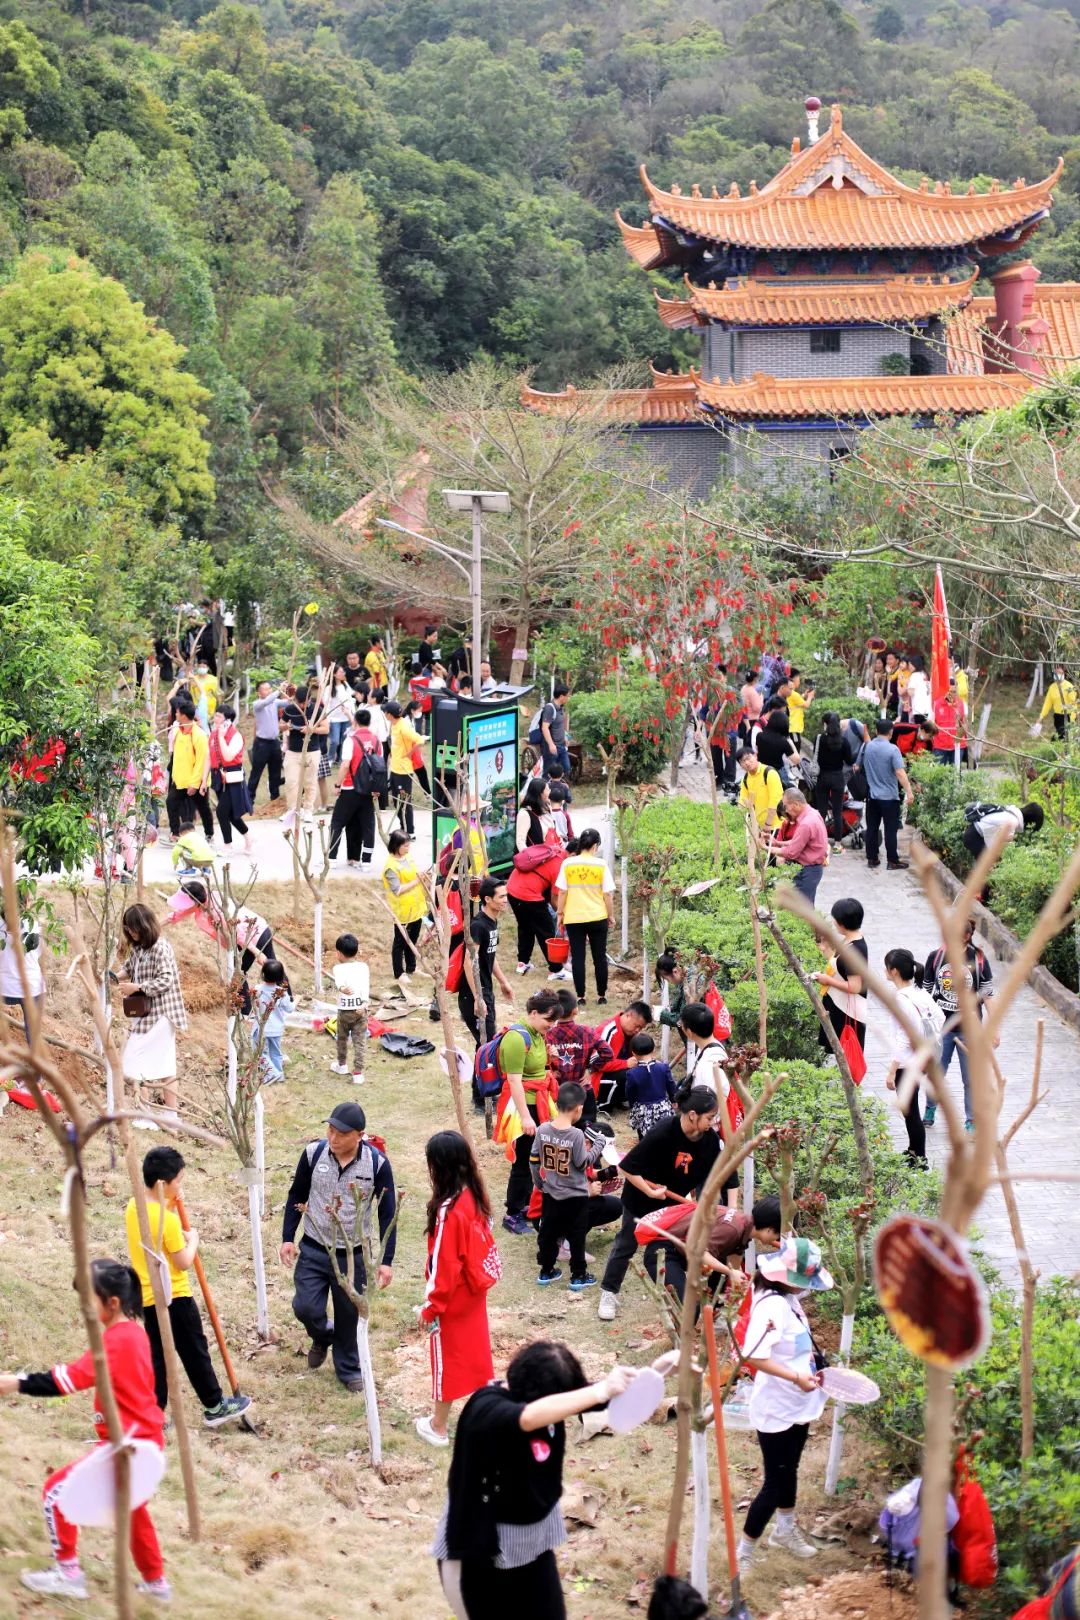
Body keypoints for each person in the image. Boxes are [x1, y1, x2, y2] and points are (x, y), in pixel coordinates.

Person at [1, 1258, 171, 1603]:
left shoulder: (117, 1342)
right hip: (145, 1442)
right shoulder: (134, 1334)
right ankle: (156, 1583)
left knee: (55, 1494)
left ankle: (68, 1573)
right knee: (134, 1511)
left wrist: (14, 1383)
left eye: (88, 1301)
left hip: (127, 1446)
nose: (83, 1309)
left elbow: (68, 1380)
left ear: (111, 1303)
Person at [432, 1339, 635, 1619]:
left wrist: (653, 1376)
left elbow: (587, 1398)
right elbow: (526, 1419)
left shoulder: (548, 1398)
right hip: (476, 1550)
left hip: (534, 1544)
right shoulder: (487, 1408)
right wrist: (600, 1390)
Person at [125, 1147, 253, 1426]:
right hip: (176, 1297)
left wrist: (169, 1202)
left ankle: (153, 1414)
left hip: (147, 1296)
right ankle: (215, 1406)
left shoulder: (135, 1206)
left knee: (157, 1357)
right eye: (178, 1181)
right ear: (162, 1184)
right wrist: (193, 1238)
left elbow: (155, 1224)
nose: (180, 1186)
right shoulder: (168, 1221)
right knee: (195, 1350)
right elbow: (183, 1261)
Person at [279, 1101, 396, 1392]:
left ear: (359, 1135)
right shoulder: (313, 1154)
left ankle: (348, 1368)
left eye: (341, 1134)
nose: (333, 1138)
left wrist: (386, 1260)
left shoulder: (377, 1164)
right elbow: (296, 1194)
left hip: (353, 1255)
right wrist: (287, 1238)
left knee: (349, 1314)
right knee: (305, 1306)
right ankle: (321, 1334)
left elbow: (388, 1213)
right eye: (330, 1131)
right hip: (315, 1247)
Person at [736, 1238, 833, 1577]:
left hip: (799, 1402)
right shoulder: (771, 1307)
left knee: (789, 1469)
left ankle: (784, 1531)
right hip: (778, 1406)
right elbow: (754, 1356)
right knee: (774, 1482)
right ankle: (745, 1550)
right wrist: (795, 1376)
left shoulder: (788, 1298)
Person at [597, 1085, 722, 1322]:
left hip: (674, 1206)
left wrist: (702, 1200)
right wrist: (649, 1192)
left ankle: (696, 1302)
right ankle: (609, 1292)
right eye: (709, 1117)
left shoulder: (710, 1141)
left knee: (676, 1249)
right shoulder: (664, 1132)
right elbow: (626, 1167)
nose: (713, 1123)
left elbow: (708, 1176)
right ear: (693, 1115)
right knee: (626, 1245)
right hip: (641, 1199)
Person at [416, 1131, 498, 1448]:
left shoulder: (448, 1210)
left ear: (438, 1166)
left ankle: (438, 1426)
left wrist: (431, 1307)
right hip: (475, 1290)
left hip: (453, 1298)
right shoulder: (473, 1195)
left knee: (446, 1362)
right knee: (477, 1356)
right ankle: (490, 1417)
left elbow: (444, 1264)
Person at [639, 1193, 782, 1307]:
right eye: (778, 1234)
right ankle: (680, 1342)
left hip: (682, 1250)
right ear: (769, 1229)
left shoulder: (744, 1226)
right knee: (689, 1307)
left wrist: (735, 1279)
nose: (776, 1240)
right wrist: (730, 1272)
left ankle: (717, 1316)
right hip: (663, 1252)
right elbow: (699, 1253)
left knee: (723, 1272)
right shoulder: (732, 1228)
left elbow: (734, 1259)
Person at [499, 989, 563, 1234]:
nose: (552, 1025)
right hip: (523, 1105)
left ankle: (526, 1203)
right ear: (533, 1013)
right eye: (549, 1019)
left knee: (535, 1158)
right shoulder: (517, 1038)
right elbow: (514, 1081)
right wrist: (526, 1116)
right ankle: (513, 1213)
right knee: (523, 1160)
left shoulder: (537, 1033)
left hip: (540, 1101)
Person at [529, 1081, 604, 1291]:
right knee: (576, 1235)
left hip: (551, 1192)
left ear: (556, 1102)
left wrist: (539, 1182)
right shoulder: (576, 1135)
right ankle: (578, 1276)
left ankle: (546, 1270)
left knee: (548, 1233)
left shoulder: (542, 1129)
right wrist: (598, 1144)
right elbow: (582, 1163)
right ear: (579, 1109)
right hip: (576, 1197)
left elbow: (534, 1160)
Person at [118, 904, 187, 1126]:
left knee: (134, 1060)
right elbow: (127, 968)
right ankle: (168, 1117)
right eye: (128, 930)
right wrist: (113, 976)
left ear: (144, 926)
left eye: (133, 929)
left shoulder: (160, 947)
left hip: (161, 1014)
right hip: (146, 1014)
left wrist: (136, 987)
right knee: (164, 1065)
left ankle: (147, 1115)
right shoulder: (139, 948)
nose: (131, 933)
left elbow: (166, 980)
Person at [923, 920, 996, 1130]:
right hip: (942, 1028)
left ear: (966, 936)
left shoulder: (978, 959)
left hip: (970, 1030)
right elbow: (927, 992)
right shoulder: (936, 957)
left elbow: (988, 994)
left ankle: (971, 1120)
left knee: (970, 1078)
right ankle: (930, 1107)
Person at [883, 948, 944, 1166]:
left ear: (894, 971)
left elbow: (903, 1037)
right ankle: (912, 1150)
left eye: (886, 967)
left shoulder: (901, 998)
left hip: (907, 1063)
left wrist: (892, 1070)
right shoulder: (919, 992)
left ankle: (919, 1157)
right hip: (922, 1060)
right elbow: (940, 1016)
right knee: (911, 1109)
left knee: (911, 1112)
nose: (884, 971)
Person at [554, 828, 614, 1008]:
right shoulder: (601, 865)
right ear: (595, 845)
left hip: (574, 917)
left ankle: (580, 996)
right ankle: (601, 994)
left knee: (578, 957)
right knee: (599, 957)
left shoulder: (568, 864)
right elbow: (608, 894)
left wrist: (560, 913)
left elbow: (562, 892)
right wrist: (610, 915)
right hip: (597, 916)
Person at [545, 987, 614, 1120]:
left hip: (558, 1091)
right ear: (575, 1010)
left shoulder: (548, 1034)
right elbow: (608, 1053)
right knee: (588, 1131)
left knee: (561, 1131)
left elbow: (540, 1058)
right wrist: (591, 1069)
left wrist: (549, 1071)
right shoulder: (587, 1031)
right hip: (583, 1090)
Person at [460, 877, 514, 1046]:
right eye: (501, 897)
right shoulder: (478, 925)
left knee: (485, 1044)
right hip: (473, 993)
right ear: (488, 899)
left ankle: (478, 1073)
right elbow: (468, 962)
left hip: (486, 990)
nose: (505, 900)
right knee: (488, 1044)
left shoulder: (492, 922)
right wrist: (477, 996)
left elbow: (490, 955)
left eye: (506, 896)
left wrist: (504, 982)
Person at [811, 897, 868, 1055]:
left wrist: (827, 980)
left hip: (847, 1014)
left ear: (841, 923)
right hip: (838, 1007)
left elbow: (855, 987)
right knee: (840, 1056)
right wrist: (825, 950)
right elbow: (841, 967)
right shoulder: (850, 941)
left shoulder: (855, 951)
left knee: (846, 1057)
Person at [328, 708, 383, 869]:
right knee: (365, 825)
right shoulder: (377, 741)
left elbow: (345, 765)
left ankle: (331, 859)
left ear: (355, 722)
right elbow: (380, 764)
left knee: (338, 822)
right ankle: (363, 861)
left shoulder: (350, 740)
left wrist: (338, 785)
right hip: (369, 789)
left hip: (350, 787)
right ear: (369, 722)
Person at [507, 841, 565, 979]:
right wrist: (562, 915)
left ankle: (523, 963)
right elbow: (554, 898)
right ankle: (556, 971)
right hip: (529, 895)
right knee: (546, 931)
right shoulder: (560, 865)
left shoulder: (552, 849)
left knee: (525, 927)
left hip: (512, 889)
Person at [863, 717, 914, 871]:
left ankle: (872, 858)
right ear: (891, 732)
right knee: (890, 830)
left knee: (872, 828)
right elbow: (899, 771)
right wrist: (909, 792)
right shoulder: (893, 749)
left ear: (876, 731)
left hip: (872, 796)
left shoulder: (868, 747)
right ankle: (892, 860)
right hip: (889, 798)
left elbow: (858, 765)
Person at [383, 829, 427, 999]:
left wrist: (422, 876)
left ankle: (412, 967)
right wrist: (417, 881)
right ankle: (399, 972)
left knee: (413, 939)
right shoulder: (390, 867)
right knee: (400, 942)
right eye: (405, 845)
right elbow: (398, 890)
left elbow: (413, 874)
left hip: (416, 906)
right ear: (396, 846)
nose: (408, 847)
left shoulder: (407, 857)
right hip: (402, 910)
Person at [769, 789, 829, 904]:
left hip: (807, 870)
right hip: (810, 869)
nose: (786, 810)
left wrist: (767, 848)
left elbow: (792, 852)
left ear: (796, 804)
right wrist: (777, 843)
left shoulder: (806, 823)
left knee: (803, 908)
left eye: (786, 806)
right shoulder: (813, 813)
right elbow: (797, 842)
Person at [209, 705, 253, 855]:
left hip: (233, 777)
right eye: (215, 715)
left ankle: (228, 845)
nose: (216, 719)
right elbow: (210, 758)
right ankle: (248, 837)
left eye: (219, 717)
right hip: (218, 776)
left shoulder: (236, 736)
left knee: (221, 811)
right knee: (231, 813)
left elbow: (228, 756)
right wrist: (204, 781)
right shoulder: (213, 734)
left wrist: (221, 737)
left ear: (228, 721)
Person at [594, 1000, 653, 1111]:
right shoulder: (608, 1030)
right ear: (628, 1015)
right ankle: (601, 1104)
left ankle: (618, 1099)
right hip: (596, 1079)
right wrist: (625, 1063)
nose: (637, 1030)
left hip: (613, 1074)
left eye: (641, 1028)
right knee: (626, 1074)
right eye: (637, 1026)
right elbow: (596, 1063)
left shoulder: (631, 1033)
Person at [166, 702, 212, 841]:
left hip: (195, 782)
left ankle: (209, 834)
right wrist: (174, 777)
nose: (175, 714)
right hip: (180, 780)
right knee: (171, 803)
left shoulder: (199, 735)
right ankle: (176, 834)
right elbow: (177, 758)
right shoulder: (178, 731)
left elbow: (201, 761)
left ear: (184, 716)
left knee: (203, 807)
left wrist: (194, 783)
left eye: (178, 712)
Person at [281, 681, 327, 816]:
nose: (302, 706)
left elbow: (325, 728)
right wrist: (286, 727)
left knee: (309, 781)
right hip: (293, 751)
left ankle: (308, 809)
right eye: (299, 703)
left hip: (312, 750)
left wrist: (311, 729)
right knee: (291, 781)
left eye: (304, 703)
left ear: (309, 699)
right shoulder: (290, 709)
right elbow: (281, 724)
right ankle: (293, 810)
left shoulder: (317, 709)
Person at [0, 907, 47, 1041]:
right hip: (32, 987)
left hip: (4, 988)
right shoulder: (34, 925)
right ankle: (35, 1058)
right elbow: (39, 953)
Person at [330, 932, 369, 1084]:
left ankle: (342, 1065)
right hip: (361, 1010)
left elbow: (340, 984)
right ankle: (358, 1073)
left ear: (339, 953)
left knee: (342, 1039)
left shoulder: (338, 969)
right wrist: (364, 1005)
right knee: (360, 1042)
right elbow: (365, 986)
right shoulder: (364, 967)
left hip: (345, 1011)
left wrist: (342, 989)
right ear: (357, 951)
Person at [625, 1031, 676, 1138]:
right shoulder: (663, 1067)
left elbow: (630, 1092)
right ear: (653, 1050)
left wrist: (632, 1104)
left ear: (633, 1053)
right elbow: (671, 1085)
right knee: (664, 1133)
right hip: (663, 1106)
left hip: (643, 1108)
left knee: (644, 1136)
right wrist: (673, 1099)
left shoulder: (632, 1073)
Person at [386, 699, 423, 837]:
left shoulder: (404, 726)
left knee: (405, 803)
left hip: (404, 771)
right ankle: (403, 828)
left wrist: (409, 754)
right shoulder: (394, 724)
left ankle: (410, 831)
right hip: (395, 769)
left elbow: (419, 740)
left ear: (389, 714)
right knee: (397, 802)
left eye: (386, 712)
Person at [962, 800, 1044, 860]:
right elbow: (989, 833)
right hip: (974, 837)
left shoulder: (1010, 813)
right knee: (985, 869)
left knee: (987, 867)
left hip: (974, 834)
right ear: (1030, 822)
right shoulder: (1013, 821)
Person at [812, 710, 848, 845]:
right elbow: (849, 760)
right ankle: (838, 844)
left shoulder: (819, 739)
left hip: (822, 777)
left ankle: (820, 841)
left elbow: (815, 757)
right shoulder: (843, 741)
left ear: (825, 724)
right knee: (837, 812)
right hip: (838, 778)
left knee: (821, 811)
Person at [254, 959, 293, 1083]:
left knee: (260, 1052)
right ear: (281, 976)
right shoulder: (282, 993)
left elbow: (253, 1004)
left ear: (263, 974)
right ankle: (279, 1074)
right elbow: (290, 1009)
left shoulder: (258, 989)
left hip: (262, 1029)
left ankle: (272, 1073)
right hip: (276, 1029)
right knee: (276, 1053)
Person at [248, 680, 285, 804]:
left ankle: (275, 798)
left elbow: (288, 703)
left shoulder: (274, 702)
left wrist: (291, 692)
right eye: (265, 689)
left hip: (274, 743)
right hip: (261, 744)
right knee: (256, 773)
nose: (269, 691)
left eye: (270, 688)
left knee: (275, 772)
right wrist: (279, 690)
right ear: (259, 692)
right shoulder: (257, 704)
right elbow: (267, 701)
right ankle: (249, 799)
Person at [738, 745, 783, 835]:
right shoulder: (746, 779)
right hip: (760, 826)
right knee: (767, 849)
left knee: (778, 849)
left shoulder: (769, 773)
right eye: (743, 761)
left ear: (755, 756)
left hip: (777, 825)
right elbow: (743, 801)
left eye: (748, 758)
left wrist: (768, 824)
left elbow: (774, 801)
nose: (747, 763)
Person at [755, 708, 800, 788]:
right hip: (777, 772)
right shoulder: (783, 742)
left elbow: (757, 752)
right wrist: (791, 743)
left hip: (761, 771)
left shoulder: (760, 736)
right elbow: (796, 760)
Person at [538, 683, 571, 778]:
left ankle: (557, 787)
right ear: (561, 696)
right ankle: (545, 790)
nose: (568, 698)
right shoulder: (550, 708)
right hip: (552, 746)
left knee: (566, 768)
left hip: (561, 745)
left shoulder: (560, 708)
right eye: (567, 696)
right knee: (548, 771)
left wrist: (565, 737)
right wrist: (551, 744)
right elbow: (545, 728)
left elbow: (559, 726)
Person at [932, 678, 967, 765]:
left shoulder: (962, 704)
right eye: (950, 691)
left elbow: (966, 725)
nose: (951, 694)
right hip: (940, 745)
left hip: (957, 745)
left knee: (955, 775)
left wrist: (960, 735)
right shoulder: (936, 704)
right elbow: (931, 724)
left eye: (954, 692)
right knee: (938, 774)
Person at [1038, 664, 1078, 740]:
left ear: (1064, 674)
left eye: (1060, 673)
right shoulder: (1052, 687)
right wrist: (1041, 717)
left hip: (1068, 716)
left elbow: (1074, 704)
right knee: (1061, 737)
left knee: (1058, 738)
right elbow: (1047, 704)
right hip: (1057, 717)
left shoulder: (1069, 687)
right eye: (1056, 673)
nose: (1058, 675)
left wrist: (1072, 721)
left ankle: (1055, 749)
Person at [326, 666, 357, 762]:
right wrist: (327, 719)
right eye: (340, 672)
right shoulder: (329, 688)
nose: (343, 673)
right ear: (334, 674)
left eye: (343, 671)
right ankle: (330, 758)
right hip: (334, 719)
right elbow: (326, 704)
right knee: (335, 741)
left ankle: (341, 759)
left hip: (346, 718)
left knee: (344, 740)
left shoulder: (345, 685)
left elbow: (352, 695)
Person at [516, 778, 552, 850]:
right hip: (537, 858)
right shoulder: (525, 813)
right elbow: (520, 842)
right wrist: (531, 858)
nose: (550, 792)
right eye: (547, 790)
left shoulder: (547, 807)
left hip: (550, 854)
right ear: (540, 793)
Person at [786, 670, 813, 737]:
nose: (799, 681)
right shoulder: (793, 694)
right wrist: (810, 697)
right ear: (794, 679)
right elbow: (806, 705)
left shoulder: (790, 692)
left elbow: (796, 702)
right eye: (799, 679)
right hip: (794, 728)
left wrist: (804, 695)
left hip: (791, 727)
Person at [365, 633, 390, 699]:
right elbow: (376, 672)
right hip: (376, 685)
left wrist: (387, 662)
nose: (383, 644)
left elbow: (385, 666)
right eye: (382, 642)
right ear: (377, 643)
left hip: (384, 682)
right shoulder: (371, 655)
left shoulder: (380, 653)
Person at [906, 654, 931, 721]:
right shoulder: (925, 674)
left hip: (918, 710)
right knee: (927, 729)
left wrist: (907, 684)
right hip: (928, 709)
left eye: (910, 664)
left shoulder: (914, 675)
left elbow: (911, 693)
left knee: (921, 729)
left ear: (915, 664)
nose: (909, 667)